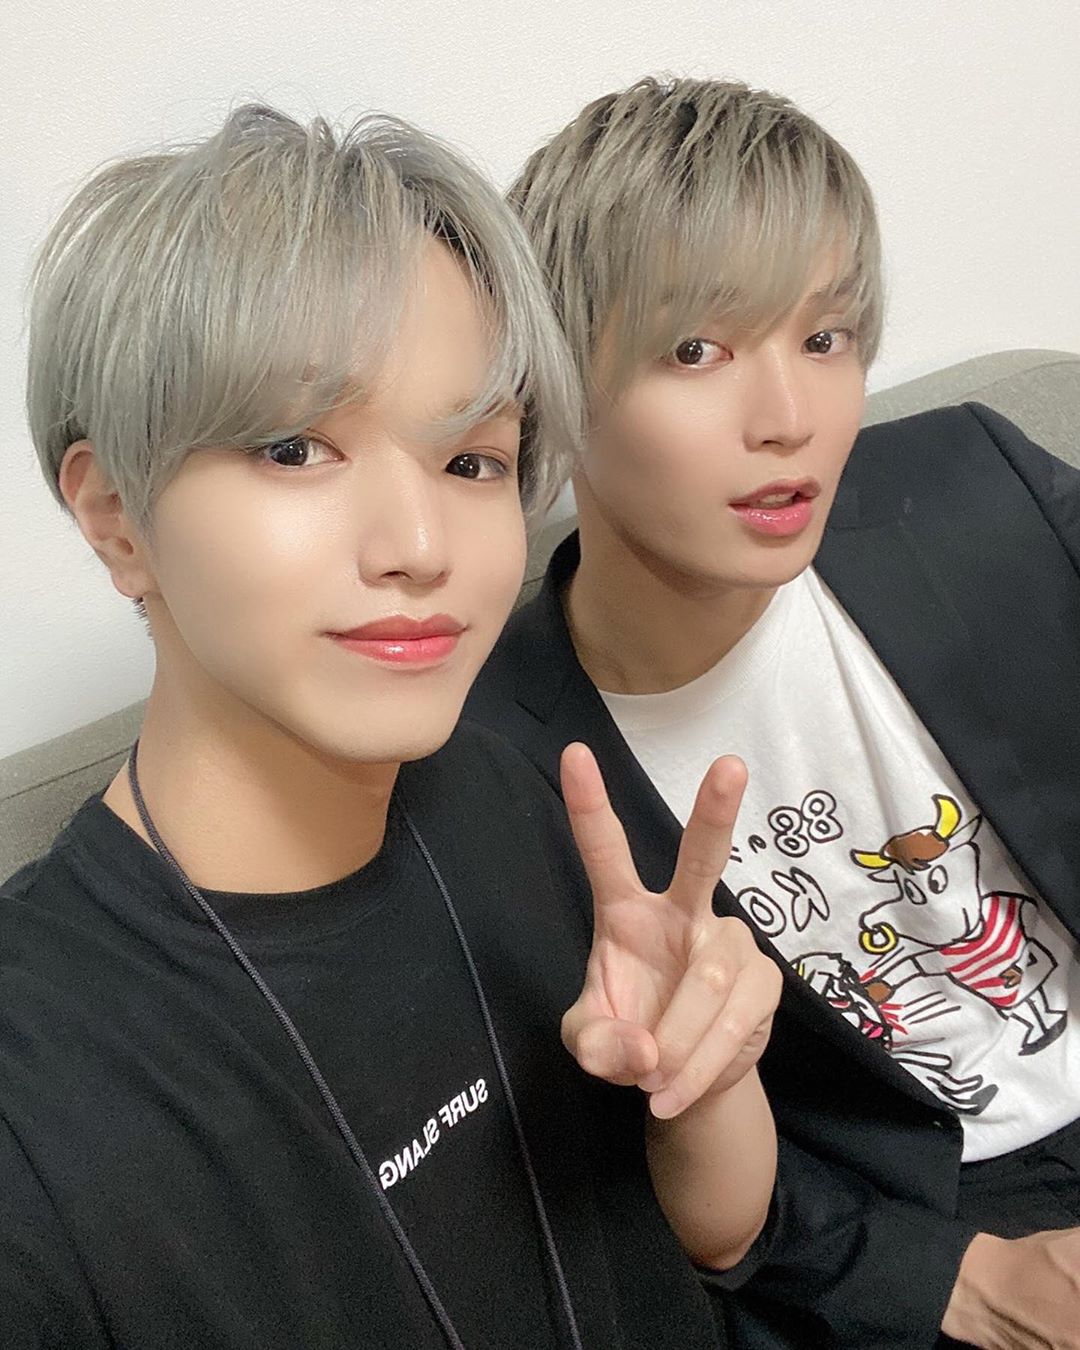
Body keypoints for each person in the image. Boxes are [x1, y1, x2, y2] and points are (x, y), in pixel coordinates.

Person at [2, 103, 783, 1348]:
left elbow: (718, 1240)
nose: (420, 546)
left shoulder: (514, 795)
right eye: (295, 448)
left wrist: (703, 1076)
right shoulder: (38, 1094)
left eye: (472, 462)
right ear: (115, 519)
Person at [467, 77, 1080, 1349]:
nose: (790, 421)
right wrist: (959, 1282)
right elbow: (674, 1199)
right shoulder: (495, 765)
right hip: (919, 1235)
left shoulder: (976, 484)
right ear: (553, 388)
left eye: (826, 336)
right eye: (696, 351)